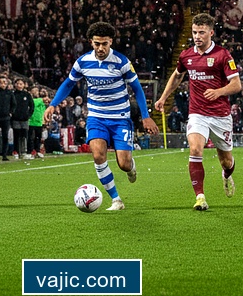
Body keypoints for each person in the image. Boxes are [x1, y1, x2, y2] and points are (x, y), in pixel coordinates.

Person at [45, 21, 159, 211]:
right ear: (91, 42)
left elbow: (137, 89)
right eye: (97, 44)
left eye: (104, 44)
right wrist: (52, 104)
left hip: (120, 117)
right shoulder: (82, 62)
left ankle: (131, 166)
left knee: (123, 164)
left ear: (111, 42)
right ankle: (116, 200)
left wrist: (145, 116)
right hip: (96, 116)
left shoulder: (122, 62)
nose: (100, 48)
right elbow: (68, 83)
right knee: (98, 156)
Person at [154, 13, 241, 211]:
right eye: (194, 32)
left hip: (220, 115)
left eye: (201, 32)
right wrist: (163, 97)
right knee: (195, 149)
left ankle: (227, 175)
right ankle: (200, 197)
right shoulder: (186, 55)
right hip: (198, 113)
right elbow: (177, 76)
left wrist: (218, 92)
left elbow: (236, 85)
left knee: (226, 161)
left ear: (211, 32)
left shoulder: (223, 55)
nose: (197, 36)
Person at [11, 78, 34, 158]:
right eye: (18, 84)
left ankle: (24, 151)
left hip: (25, 119)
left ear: (24, 85)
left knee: (24, 136)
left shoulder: (27, 95)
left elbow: (32, 106)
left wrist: (28, 115)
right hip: (15, 119)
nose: (19, 85)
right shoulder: (13, 94)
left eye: (21, 84)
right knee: (16, 136)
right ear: (15, 85)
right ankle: (16, 151)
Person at [27, 86, 47, 159]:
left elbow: (43, 111)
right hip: (31, 121)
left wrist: (44, 120)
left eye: (37, 91)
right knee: (30, 137)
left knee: (38, 137)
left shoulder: (41, 101)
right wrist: (42, 99)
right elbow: (33, 104)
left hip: (39, 122)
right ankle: (30, 151)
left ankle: (37, 150)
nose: (36, 92)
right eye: (34, 91)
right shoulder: (31, 100)